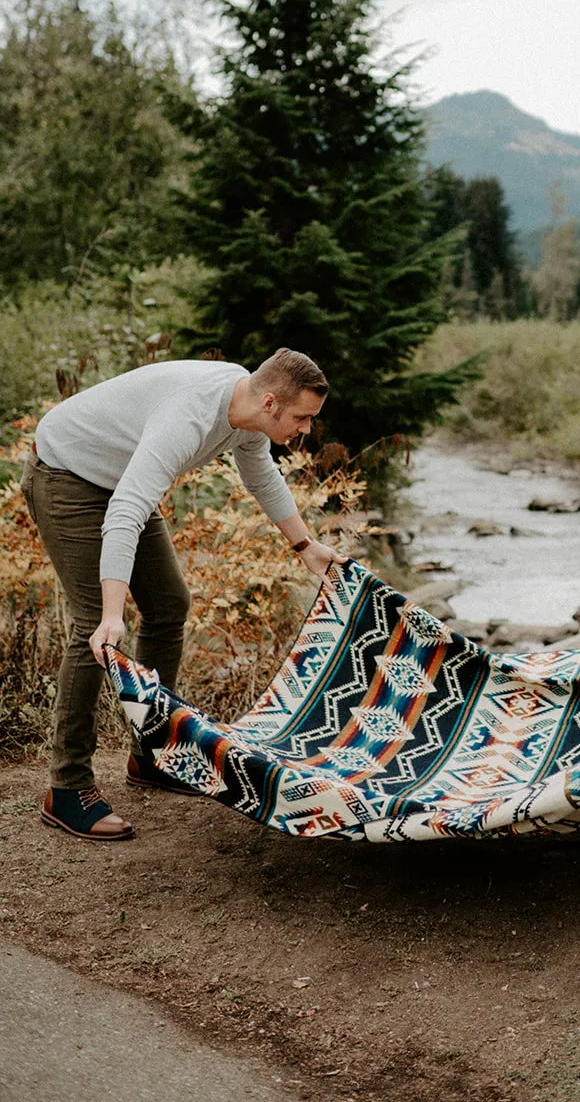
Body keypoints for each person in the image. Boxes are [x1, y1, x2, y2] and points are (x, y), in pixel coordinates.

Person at [21, 347, 346, 842]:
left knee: (169, 605)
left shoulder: (247, 409)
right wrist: (112, 613)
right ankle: (66, 789)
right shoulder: (190, 414)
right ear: (273, 403)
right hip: (68, 476)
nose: (305, 430)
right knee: (93, 628)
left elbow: (260, 476)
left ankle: (151, 755)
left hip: (120, 481)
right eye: (302, 418)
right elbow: (127, 510)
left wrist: (305, 546)